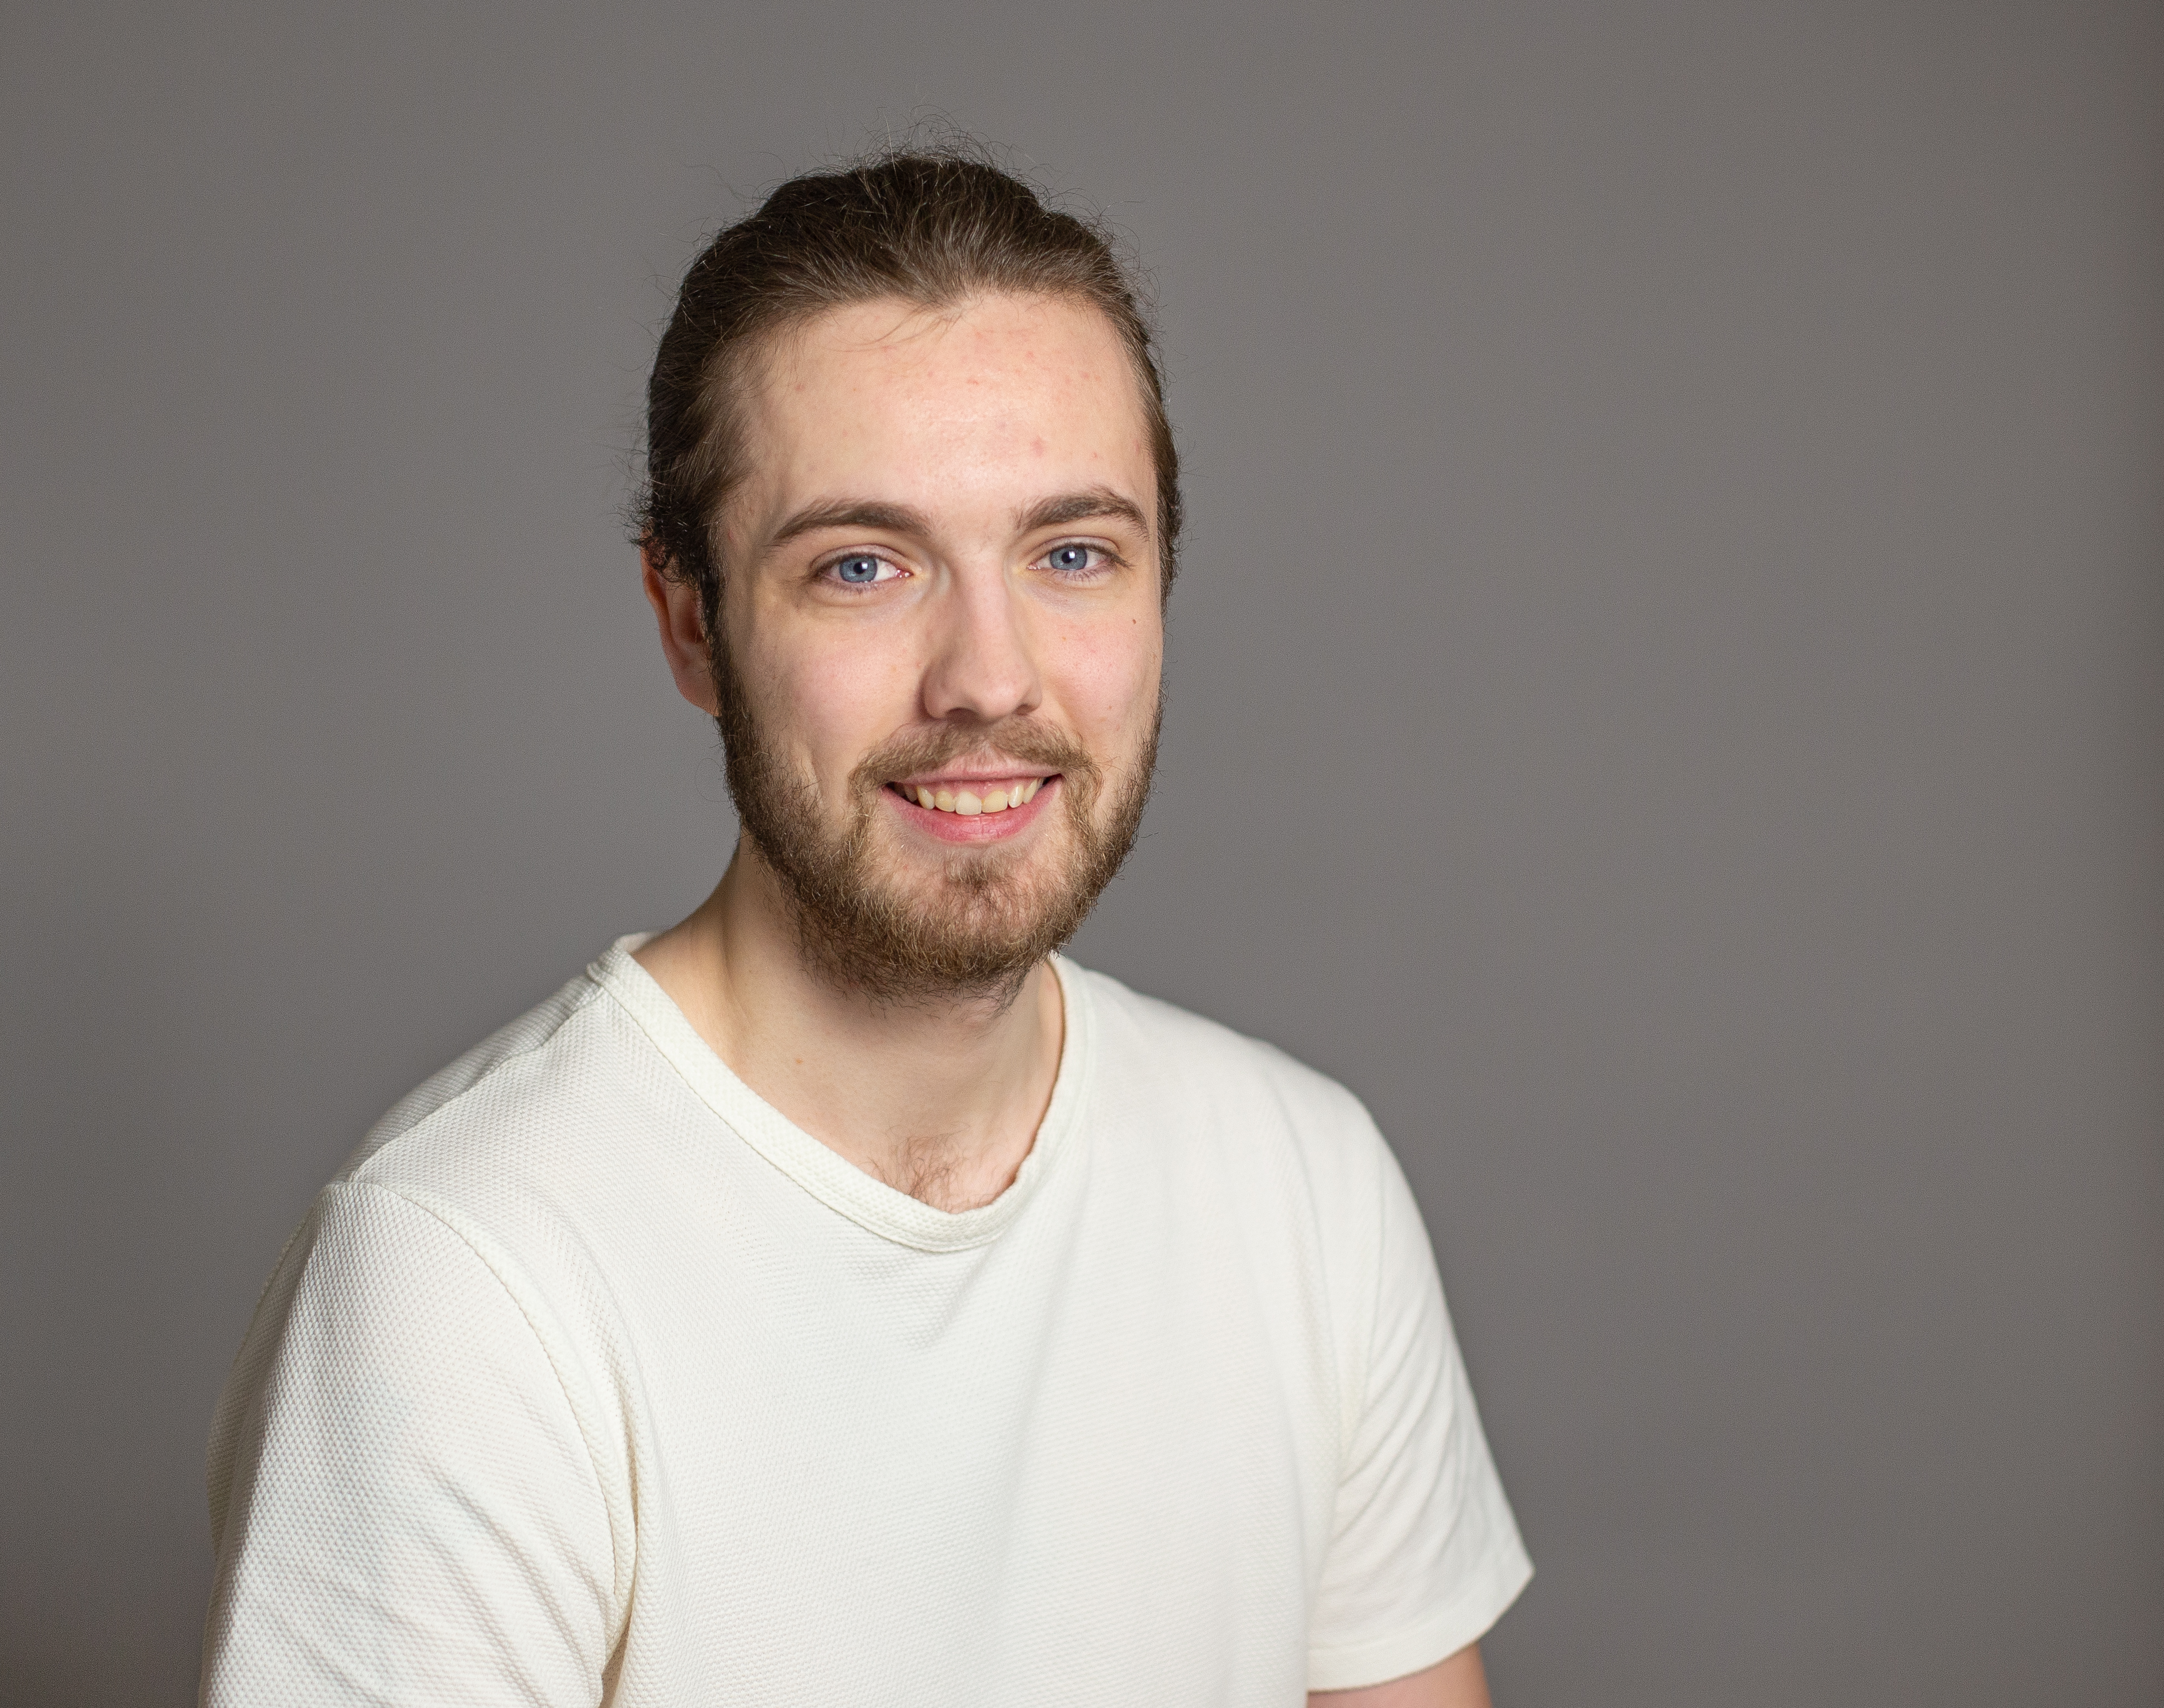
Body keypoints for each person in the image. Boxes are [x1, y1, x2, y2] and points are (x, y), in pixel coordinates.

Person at [199, 149, 1530, 1707]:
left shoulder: (1308, 1185)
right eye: (862, 566)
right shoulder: (466, 1274)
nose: (988, 676)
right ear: (691, 623)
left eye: (1073, 553)